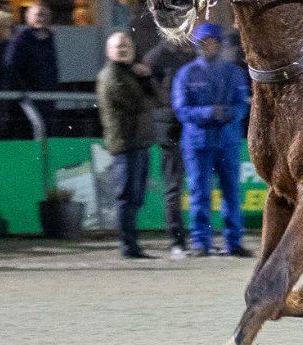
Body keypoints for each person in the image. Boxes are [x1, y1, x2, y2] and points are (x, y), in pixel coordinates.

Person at [172, 23, 251, 258]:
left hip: (227, 141)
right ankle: (201, 242)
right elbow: (181, 108)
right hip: (198, 143)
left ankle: (233, 242)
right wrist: (208, 113)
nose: (209, 46)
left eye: (213, 42)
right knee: (199, 193)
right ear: (198, 46)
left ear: (219, 44)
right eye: (204, 43)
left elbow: (242, 104)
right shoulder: (186, 74)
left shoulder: (234, 73)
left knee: (231, 192)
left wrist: (229, 114)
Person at [98, 32, 163, 259]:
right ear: (109, 51)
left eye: (126, 45)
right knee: (126, 196)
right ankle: (128, 245)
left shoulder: (131, 72)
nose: (123, 49)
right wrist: (145, 79)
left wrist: (146, 78)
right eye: (118, 46)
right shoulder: (111, 75)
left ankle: (132, 244)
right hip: (126, 143)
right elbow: (139, 103)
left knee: (136, 196)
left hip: (139, 141)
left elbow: (158, 99)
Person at [137, 23, 196, 258]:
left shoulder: (190, 54)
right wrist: (163, 111)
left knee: (194, 184)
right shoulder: (156, 57)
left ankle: (198, 239)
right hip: (170, 127)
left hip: (191, 124)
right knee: (173, 186)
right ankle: (177, 241)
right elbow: (148, 93)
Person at [5, 3, 60, 133]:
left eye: (44, 15)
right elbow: (12, 67)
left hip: (48, 97)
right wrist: (24, 91)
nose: (41, 18)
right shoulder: (21, 40)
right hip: (29, 98)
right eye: (37, 15)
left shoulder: (49, 39)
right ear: (28, 18)